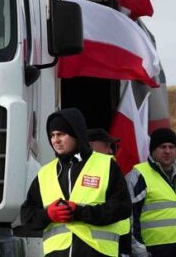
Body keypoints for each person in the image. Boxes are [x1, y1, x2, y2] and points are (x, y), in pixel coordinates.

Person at [20, 108, 132, 256]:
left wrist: (80, 213)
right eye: (52, 135)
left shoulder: (106, 165)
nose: (55, 140)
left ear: (76, 134)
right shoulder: (45, 173)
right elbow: (26, 216)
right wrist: (48, 215)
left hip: (97, 252)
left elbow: (122, 207)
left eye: (61, 134)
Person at [126, 128, 176, 257]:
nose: (167, 151)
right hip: (152, 251)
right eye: (162, 147)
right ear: (152, 150)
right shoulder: (139, 174)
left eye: (171, 147)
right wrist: (139, 251)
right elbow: (131, 217)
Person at [88, 128, 132, 256]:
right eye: (107, 145)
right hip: (92, 249)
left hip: (116, 247)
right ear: (91, 145)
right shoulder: (79, 175)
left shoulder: (112, 173)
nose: (111, 151)